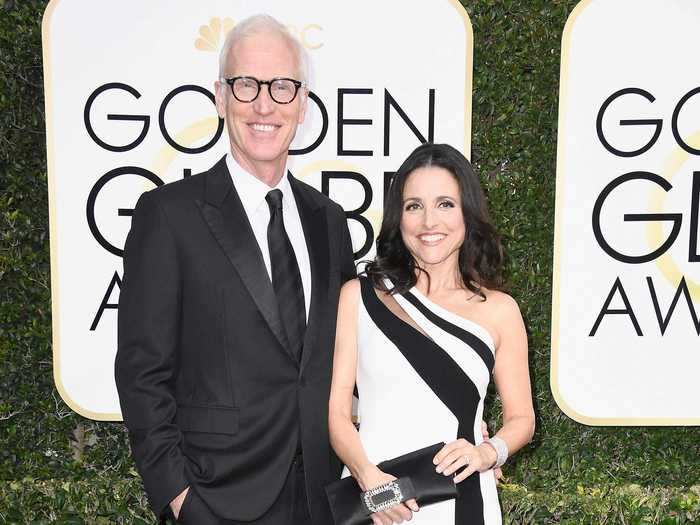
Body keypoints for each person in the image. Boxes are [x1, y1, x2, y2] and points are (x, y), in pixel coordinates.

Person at [115, 14, 355, 525]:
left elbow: (353, 353)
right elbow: (142, 373)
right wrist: (180, 498)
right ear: (221, 97)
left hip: (321, 498)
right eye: (247, 85)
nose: (265, 104)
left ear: (303, 103)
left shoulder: (328, 221)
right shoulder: (169, 215)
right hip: (215, 498)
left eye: (283, 87)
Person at [328, 143, 535, 525]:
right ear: (399, 217)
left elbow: (522, 418)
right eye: (414, 206)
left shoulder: (500, 310)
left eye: (445, 204)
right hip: (374, 498)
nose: (428, 222)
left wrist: (488, 454)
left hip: (464, 499)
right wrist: (371, 482)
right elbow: (338, 414)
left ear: (467, 213)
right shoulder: (359, 297)